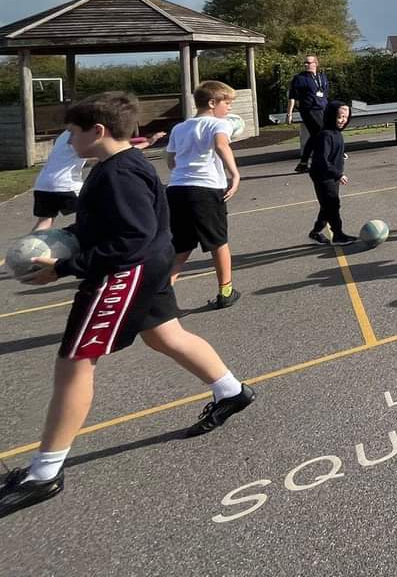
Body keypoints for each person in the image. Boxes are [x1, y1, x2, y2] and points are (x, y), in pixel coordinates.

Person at [0, 92, 253, 519]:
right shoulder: (117, 166)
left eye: (73, 132)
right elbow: (114, 225)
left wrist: (65, 268)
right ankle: (232, 391)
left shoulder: (120, 173)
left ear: (98, 131)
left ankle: (44, 475)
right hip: (147, 267)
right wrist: (66, 237)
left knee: (75, 362)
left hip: (125, 274)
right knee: (166, 336)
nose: (69, 140)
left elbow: (131, 239)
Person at [166, 81, 242, 310]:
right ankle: (226, 291)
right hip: (205, 190)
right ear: (211, 103)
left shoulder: (179, 128)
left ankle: (160, 294)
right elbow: (221, 145)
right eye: (226, 103)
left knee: (181, 246)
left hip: (177, 189)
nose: (229, 108)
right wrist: (235, 174)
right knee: (219, 242)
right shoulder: (219, 124)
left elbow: (171, 161)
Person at [31, 128, 165, 232]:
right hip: (65, 184)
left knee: (44, 221)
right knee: (100, 212)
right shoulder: (81, 136)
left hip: (42, 183)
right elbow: (114, 153)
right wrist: (147, 143)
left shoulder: (64, 135)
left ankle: (27, 252)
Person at [307, 100, 357, 245]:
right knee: (332, 205)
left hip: (331, 175)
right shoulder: (325, 135)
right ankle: (338, 236)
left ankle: (315, 232)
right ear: (331, 116)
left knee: (328, 206)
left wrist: (340, 155)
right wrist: (338, 174)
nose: (343, 120)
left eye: (345, 117)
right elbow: (322, 160)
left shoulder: (337, 134)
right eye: (339, 117)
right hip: (323, 176)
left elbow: (331, 152)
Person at [286, 54, 330, 173]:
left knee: (316, 135)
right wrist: (289, 114)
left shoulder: (322, 76)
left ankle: (303, 163)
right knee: (322, 132)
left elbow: (325, 93)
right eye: (305, 63)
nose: (306, 65)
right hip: (309, 110)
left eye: (309, 62)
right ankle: (327, 157)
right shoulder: (299, 78)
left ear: (316, 64)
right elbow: (292, 97)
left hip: (322, 108)